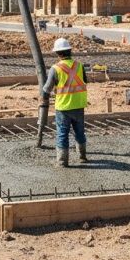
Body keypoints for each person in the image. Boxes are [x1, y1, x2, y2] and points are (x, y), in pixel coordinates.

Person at [41, 37, 88, 167]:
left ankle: (62, 162)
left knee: (62, 134)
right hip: (79, 105)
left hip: (63, 107)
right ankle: (82, 156)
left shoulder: (55, 68)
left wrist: (44, 96)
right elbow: (85, 80)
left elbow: (47, 88)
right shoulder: (79, 65)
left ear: (58, 53)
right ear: (69, 51)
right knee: (80, 132)